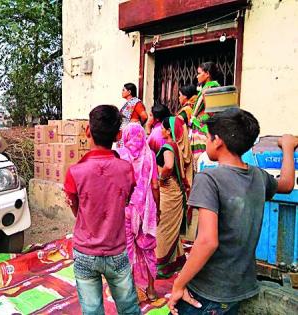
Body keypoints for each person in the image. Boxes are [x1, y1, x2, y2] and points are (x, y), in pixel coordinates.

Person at [167, 108, 298, 315]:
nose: (207, 142)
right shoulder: (259, 176)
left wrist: (178, 285)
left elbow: (208, 241)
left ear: (218, 141)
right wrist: (288, 147)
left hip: (206, 292)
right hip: (239, 288)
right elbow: (287, 184)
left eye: (208, 138)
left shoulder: (208, 179)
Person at [64, 105, 141, 315]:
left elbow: (76, 209)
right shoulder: (126, 169)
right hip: (116, 249)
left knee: (92, 310)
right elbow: (124, 201)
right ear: (118, 135)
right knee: (129, 308)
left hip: (85, 251)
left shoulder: (74, 172)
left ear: (87, 131)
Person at [117, 122, 159, 301]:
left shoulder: (120, 155)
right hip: (146, 208)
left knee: (128, 249)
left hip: (125, 207)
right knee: (148, 249)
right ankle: (150, 290)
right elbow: (155, 185)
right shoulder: (150, 155)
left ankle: (131, 292)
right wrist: (159, 208)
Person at [155, 116, 192, 279]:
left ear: (169, 130)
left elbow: (168, 166)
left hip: (169, 190)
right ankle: (176, 260)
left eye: (163, 128)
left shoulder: (168, 148)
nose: (161, 131)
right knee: (172, 226)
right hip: (177, 190)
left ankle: (162, 264)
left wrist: (161, 178)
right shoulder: (178, 146)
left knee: (163, 227)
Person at [190, 62, 221, 170]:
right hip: (201, 128)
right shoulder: (207, 88)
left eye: (199, 73)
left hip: (204, 129)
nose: (197, 76)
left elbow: (212, 111)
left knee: (203, 161)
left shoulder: (211, 88)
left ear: (207, 74)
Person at [118, 83, 148, 148]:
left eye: (123, 90)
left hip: (131, 133)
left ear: (129, 92)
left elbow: (144, 116)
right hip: (125, 132)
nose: (122, 92)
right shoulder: (127, 103)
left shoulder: (137, 103)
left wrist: (137, 125)